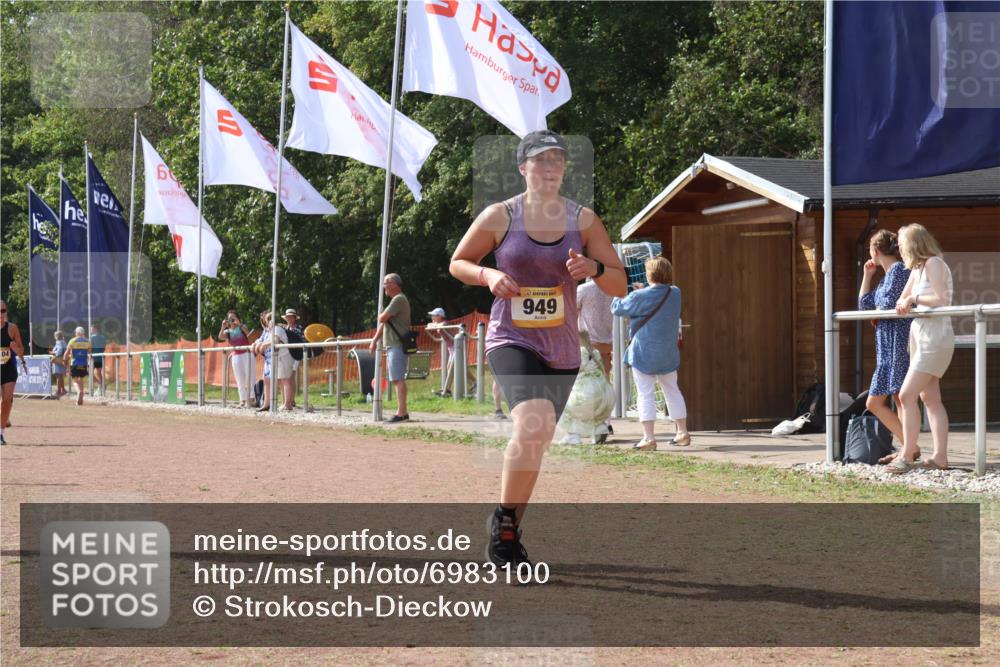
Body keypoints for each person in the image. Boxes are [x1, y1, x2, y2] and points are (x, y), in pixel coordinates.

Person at [449, 130, 625, 567]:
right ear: (523, 167)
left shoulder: (583, 220)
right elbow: (458, 262)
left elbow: (619, 283)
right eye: (540, 161)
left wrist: (594, 266)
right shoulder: (500, 215)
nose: (549, 169)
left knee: (537, 439)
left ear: (564, 169)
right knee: (533, 423)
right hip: (512, 336)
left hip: (561, 345)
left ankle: (505, 527)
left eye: (557, 161)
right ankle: (506, 533)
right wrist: (488, 277)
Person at [887, 224, 955, 474]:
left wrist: (912, 300)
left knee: (906, 395)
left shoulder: (934, 263)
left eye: (902, 245)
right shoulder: (917, 269)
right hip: (920, 334)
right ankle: (940, 457)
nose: (900, 250)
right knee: (930, 398)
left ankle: (907, 454)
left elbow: (941, 299)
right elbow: (902, 299)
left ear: (913, 244)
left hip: (934, 336)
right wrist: (905, 300)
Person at [611, 256, 689, 450]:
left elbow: (617, 309)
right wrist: (642, 293)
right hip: (668, 353)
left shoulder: (639, 296)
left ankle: (649, 438)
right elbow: (656, 298)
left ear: (649, 274)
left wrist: (620, 291)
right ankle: (682, 432)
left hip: (643, 352)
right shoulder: (675, 293)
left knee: (645, 393)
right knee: (672, 390)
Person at [857, 230, 912, 464]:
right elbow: (864, 306)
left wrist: (878, 314)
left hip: (898, 341)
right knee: (893, 399)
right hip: (886, 344)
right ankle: (908, 447)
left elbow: (888, 305)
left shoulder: (899, 270)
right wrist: (867, 276)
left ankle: (909, 448)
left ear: (876, 251)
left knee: (890, 398)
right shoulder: (884, 277)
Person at [577, 276, 615, 441]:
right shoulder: (613, 289)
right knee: (604, 384)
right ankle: (605, 422)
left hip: (588, 343)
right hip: (608, 342)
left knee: (585, 386)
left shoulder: (583, 289)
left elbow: (570, 309)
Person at [369, 273, 411, 423]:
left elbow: (381, 318)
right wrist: (375, 339)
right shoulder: (397, 300)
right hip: (394, 345)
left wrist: (381, 311)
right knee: (396, 378)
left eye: (385, 283)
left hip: (397, 345)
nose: (384, 286)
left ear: (394, 284)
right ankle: (402, 412)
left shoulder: (398, 299)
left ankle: (402, 413)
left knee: (397, 379)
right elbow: (385, 323)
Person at [425, 308, 476, 396]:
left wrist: (434, 325)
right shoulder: (438, 323)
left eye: (434, 315)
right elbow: (429, 325)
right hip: (452, 348)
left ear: (440, 316)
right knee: (459, 368)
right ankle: (475, 384)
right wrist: (433, 325)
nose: (432, 317)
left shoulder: (444, 323)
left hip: (457, 346)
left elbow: (436, 326)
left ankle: (448, 389)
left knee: (453, 367)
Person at [252, 311, 293, 412]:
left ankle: (287, 404)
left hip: (282, 357)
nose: (267, 322)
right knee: (268, 380)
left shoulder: (277, 329)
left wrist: (264, 345)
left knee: (285, 380)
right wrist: (256, 343)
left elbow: (276, 340)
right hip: (270, 359)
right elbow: (261, 339)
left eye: (269, 320)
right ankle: (267, 404)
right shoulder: (268, 331)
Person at [1, 301, 27, 444]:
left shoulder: (12, 328)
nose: (0, 314)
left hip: (8, 369)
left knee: (6, 401)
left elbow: (21, 350)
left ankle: (0, 433)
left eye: (3, 310)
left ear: (6, 312)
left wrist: (15, 348)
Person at [219, 310, 253, 407]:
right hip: (236, 356)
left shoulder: (243, 327)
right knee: (239, 379)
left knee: (249, 376)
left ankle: (251, 398)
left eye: (234, 318)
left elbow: (250, 336)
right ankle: (242, 400)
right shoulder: (228, 331)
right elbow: (220, 336)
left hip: (247, 354)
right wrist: (223, 326)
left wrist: (240, 324)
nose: (232, 320)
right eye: (230, 318)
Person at [63, 326, 91, 406]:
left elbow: (67, 353)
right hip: (83, 363)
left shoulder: (72, 340)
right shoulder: (88, 341)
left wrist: (64, 360)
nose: (75, 333)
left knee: (74, 380)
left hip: (75, 363)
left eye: (75, 332)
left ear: (78, 333)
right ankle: (81, 399)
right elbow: (89, 352)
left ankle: (79, 392)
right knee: (81, 379)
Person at [282, 308, 303, 409]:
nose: (289, 318)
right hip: (287, 354)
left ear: (295, 318)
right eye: (287, 317)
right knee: (286, 377)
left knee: (291, 377)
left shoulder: (299, 328)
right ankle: (288, 400)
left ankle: (291, 400)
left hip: (296, 354)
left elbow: (301, 341)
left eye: (291, 316)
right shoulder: (284, 329)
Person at [89, 323, 106, 397]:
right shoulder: (103, 337)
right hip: (100, 356)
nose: (90, 330)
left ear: (96, 329)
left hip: (93, 357)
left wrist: (89, 355)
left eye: (91, 329)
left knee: (89, 372)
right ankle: (101, 387)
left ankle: (100, 386)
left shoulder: (91, 338)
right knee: (98, 373)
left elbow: (90, 347)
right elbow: (104, 347)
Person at [50, 330, 68, 397]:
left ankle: (58, 391)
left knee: (58, 376)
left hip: (58, 360)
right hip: (62, 360)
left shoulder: (59, 342)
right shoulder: (64, 342)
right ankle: (63, 390)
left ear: (56, 336)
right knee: (60, 376)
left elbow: (59, 351)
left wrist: (53, 353)